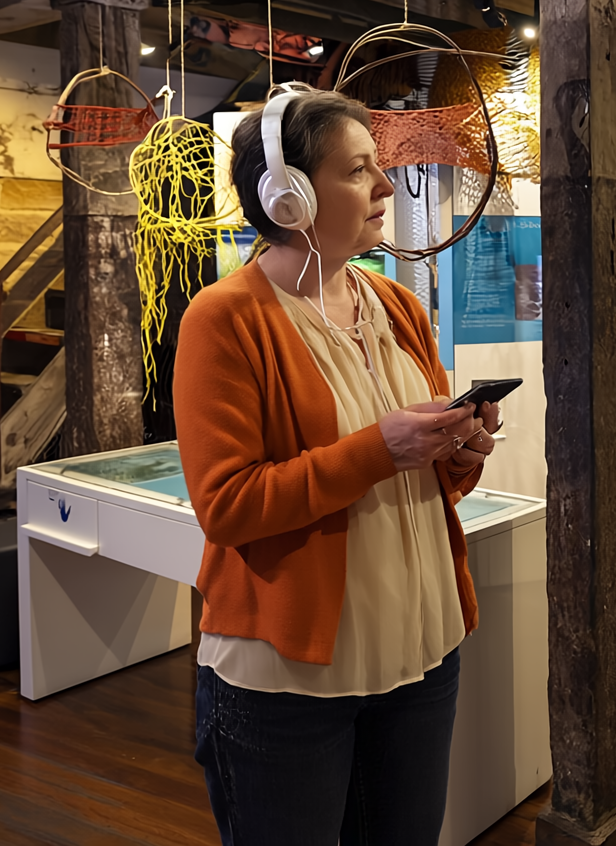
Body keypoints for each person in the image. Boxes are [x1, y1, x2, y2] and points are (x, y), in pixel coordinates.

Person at [173, 87, 500, 846]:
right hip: (291, 681)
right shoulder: (225, 318)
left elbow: (431, 477)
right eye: (359, 171)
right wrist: (377, 450)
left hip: (422, 654)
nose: (387, 188)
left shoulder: (397, 305)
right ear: (288, 197)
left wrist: (460, 451)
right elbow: (227, 506)